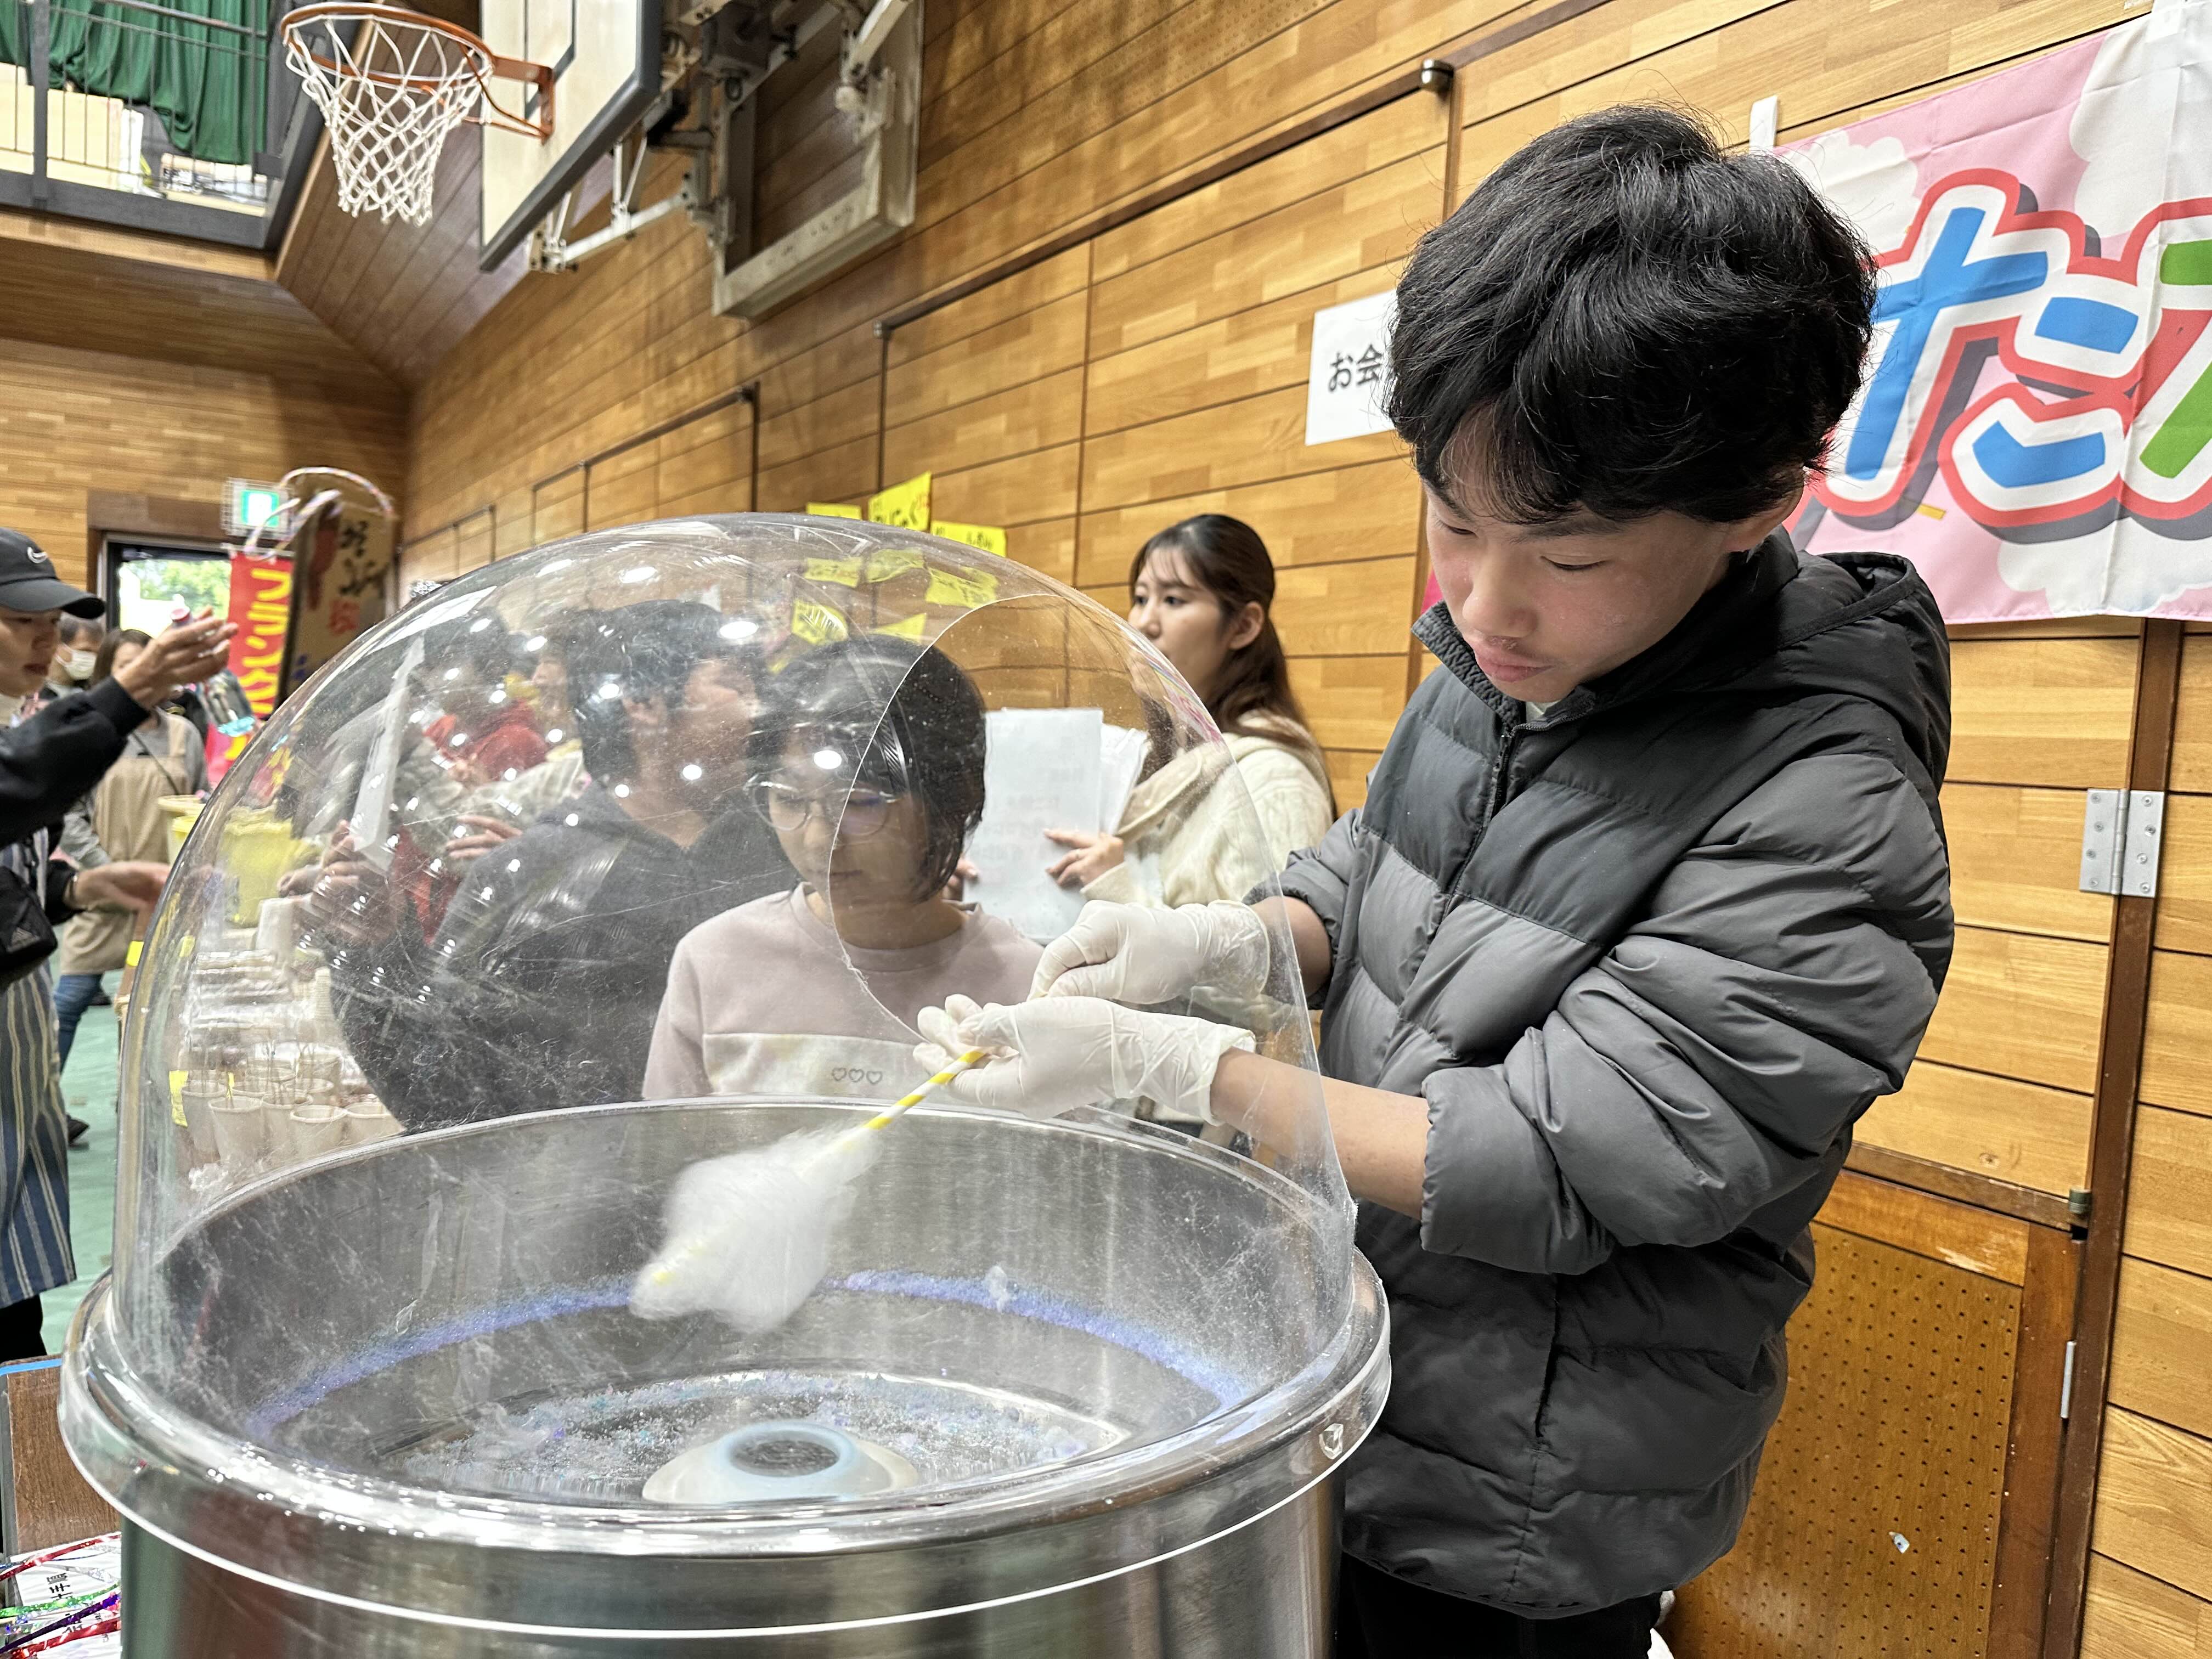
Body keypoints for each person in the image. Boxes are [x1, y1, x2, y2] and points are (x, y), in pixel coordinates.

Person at [917, 107, 1951, 1655]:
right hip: (1357, 1383)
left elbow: (1550, 1165)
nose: (1488, 603)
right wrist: (1220, 940)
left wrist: (1180, 1066)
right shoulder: (1498, 666)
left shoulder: (1827, 809)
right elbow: (1369, 872)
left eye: (1570, 555)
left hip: (1530, 1499)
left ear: (1762, 503)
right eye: (1454, 523)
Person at [314, 600, 792, 1129]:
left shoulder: (792, 851)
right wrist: (378, 947)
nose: (764, 709)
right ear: (643, 702)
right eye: (737, 684)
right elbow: (445, 1092)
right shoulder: (528, 875)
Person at [0, 528, 232, 1360]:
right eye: (18, 619)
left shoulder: (20, 717)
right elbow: (13, 784)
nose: (44, 639)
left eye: (53, 622)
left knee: (13, 1302)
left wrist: (79, 888)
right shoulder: (37, 734)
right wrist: (125, 694)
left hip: (13, 1053)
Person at [645, 636, 1037, 1102]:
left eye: (858, 803)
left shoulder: (1030, 987)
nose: (819, 841)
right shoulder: (712, 961)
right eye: (789, 799)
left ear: (950, 797)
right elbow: (664, 1162)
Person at [1041, 515, 1334, 907]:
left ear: (1243, 626)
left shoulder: (1276, 782)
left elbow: (1276, 959)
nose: (1143, 623)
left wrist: (1115, 888)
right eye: (1141, 598)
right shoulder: (1171, 751)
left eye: (1173, 600)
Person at [52, 630, 207, 1073]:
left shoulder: (184, 735)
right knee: (70, 1000)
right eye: (125, 666)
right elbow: (69, 816)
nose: (140, 676)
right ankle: (46, 1106)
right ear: (108, 674)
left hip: (166, 899)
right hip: (105, 896)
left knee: (155, 1010)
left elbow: (200, 803)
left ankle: (137, 1113)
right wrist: (109, 873)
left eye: (148, 664)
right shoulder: (88, 737)